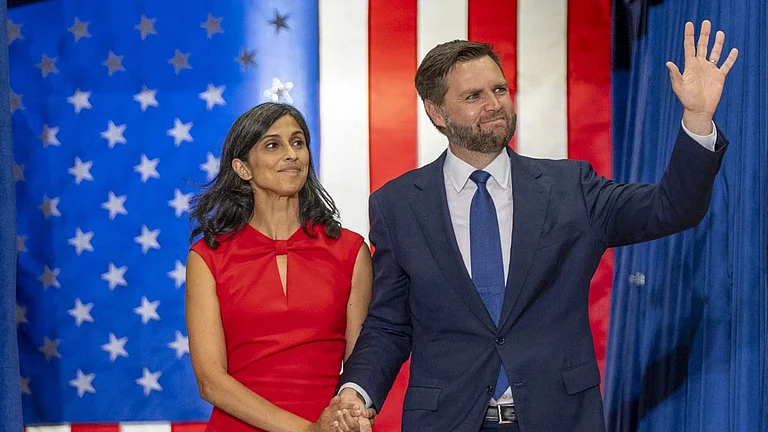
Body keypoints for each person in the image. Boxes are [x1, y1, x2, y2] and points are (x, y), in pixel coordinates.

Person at [333, 20, 739, 431]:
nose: (493, 104)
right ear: (437, 112)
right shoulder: (397, 205)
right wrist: (355, 391)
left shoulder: (571, 186)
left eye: (499, 89)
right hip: (449, 420)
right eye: (473, 96)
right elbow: (389, 323)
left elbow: (672, 207)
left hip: (558, 418)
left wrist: (698, 118)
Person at [185, 102, 375, 432]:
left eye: (298, 142)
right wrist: (307, 430)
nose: (292, 154)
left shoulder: (350, 250)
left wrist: (350, 414)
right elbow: (210, 381)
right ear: (243, 168)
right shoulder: (208, 257)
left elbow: (363, 365)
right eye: (273, 145)